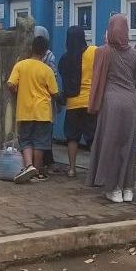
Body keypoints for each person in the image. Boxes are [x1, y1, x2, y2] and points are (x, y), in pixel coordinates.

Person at [86, 14, 136, 203]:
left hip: (111, 103)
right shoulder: (135, 55)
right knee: (128, 147)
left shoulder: (103, 52)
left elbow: (97, 78)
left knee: (111, 146)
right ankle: (128, 188)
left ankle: (113, 190)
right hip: (131, 102)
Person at [7, 35, 59, 183]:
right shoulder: (47, 70)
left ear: (32, 49)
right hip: (43, 112)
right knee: (40, 142)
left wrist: (16, 93)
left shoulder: (20, 65)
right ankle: (37, 170)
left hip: (25, 110)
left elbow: (10, 84)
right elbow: (54, 92)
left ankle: (28, 166)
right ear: (45, 52)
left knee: (26, 140)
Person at [58, 26, 97, 178]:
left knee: (72, 137)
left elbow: (64, 79)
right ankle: (94, 171)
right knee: (92, 138)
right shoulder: (93, 51)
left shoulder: (65, 59)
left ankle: (72, 169)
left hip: (72, 103)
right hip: (89, 103)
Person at [34, 26, 60, 174]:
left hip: (30, 100)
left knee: (33, 136)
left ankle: (36, 165)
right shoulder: (50, 57)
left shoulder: (27, 58)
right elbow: (53, 79)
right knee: (44, 134)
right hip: (45, 100)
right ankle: (44, 164)